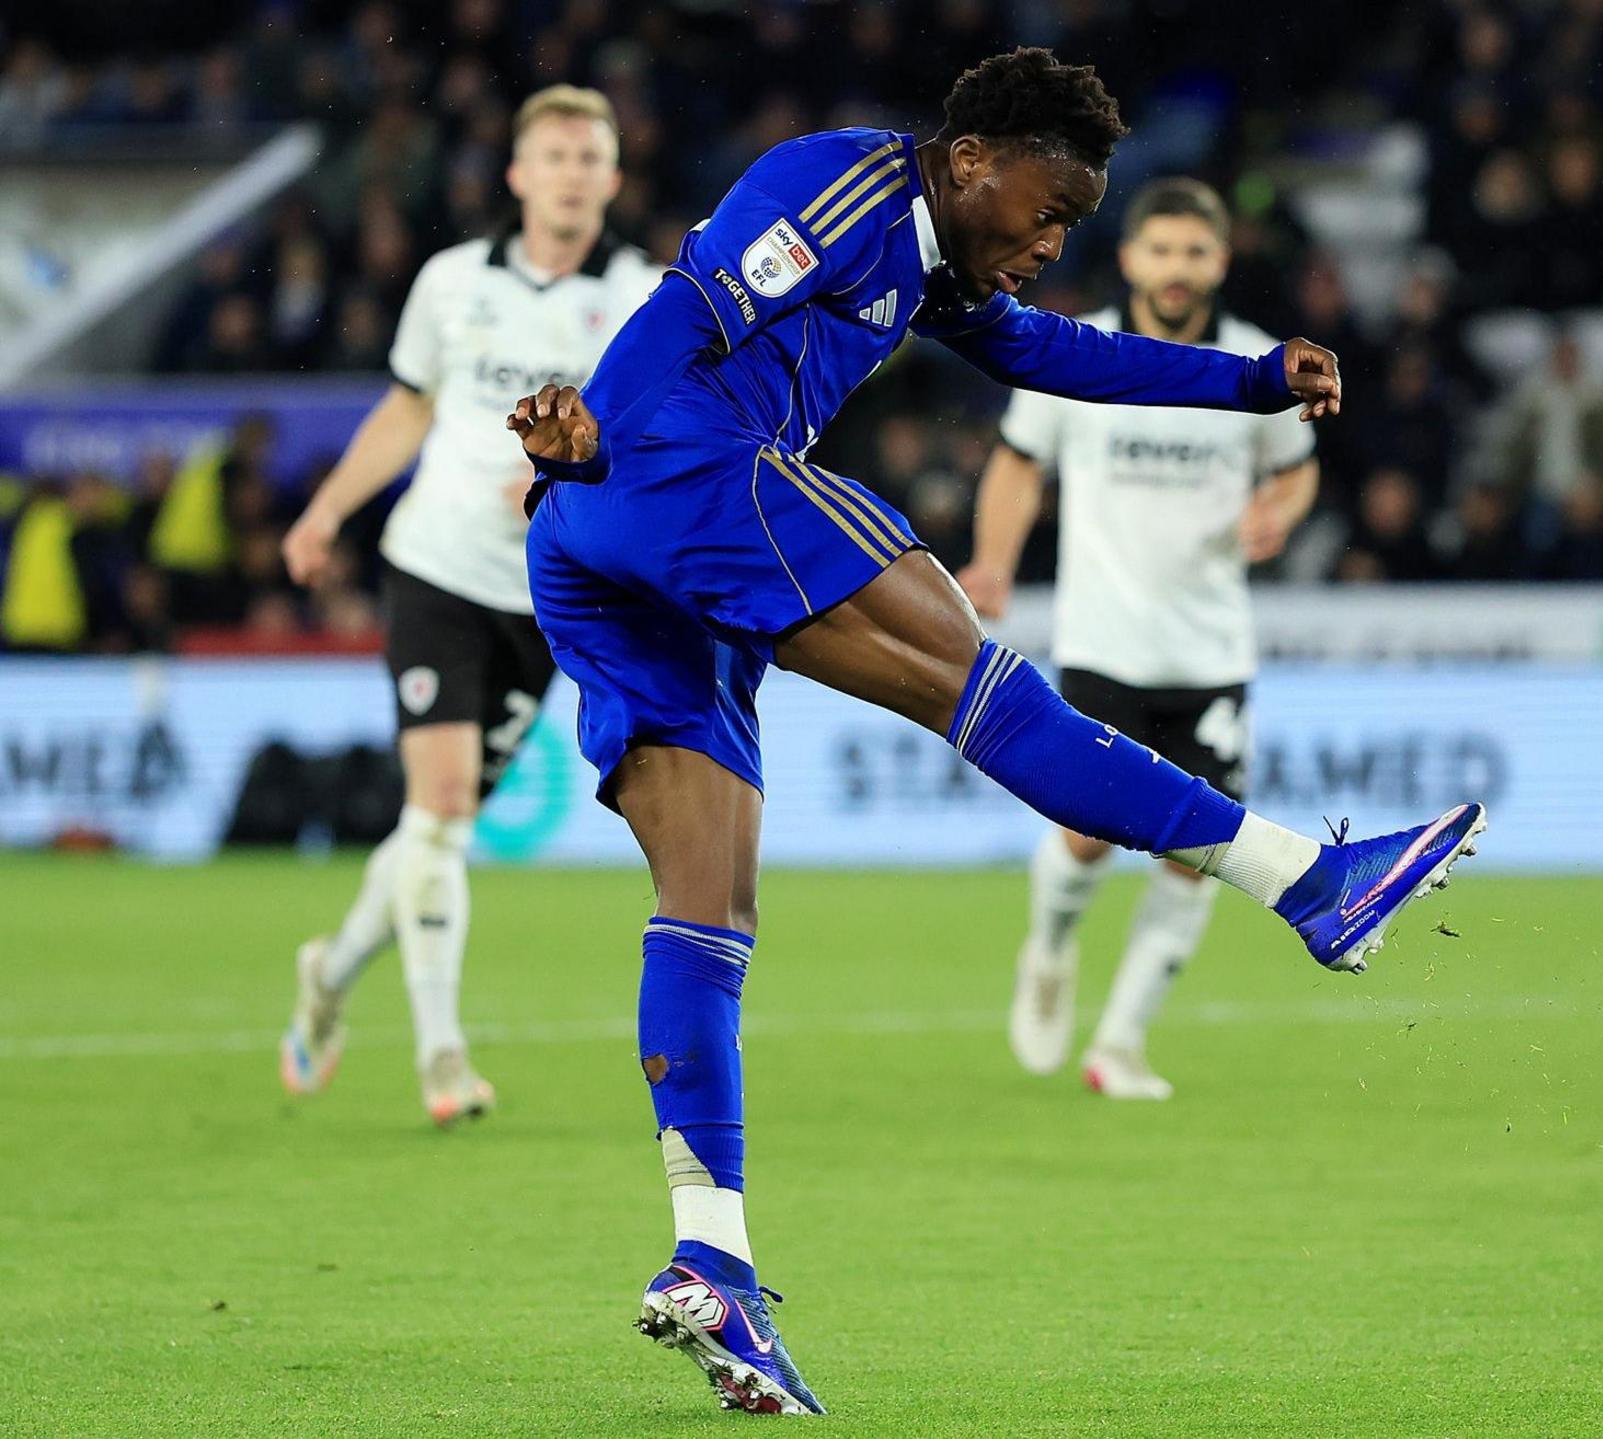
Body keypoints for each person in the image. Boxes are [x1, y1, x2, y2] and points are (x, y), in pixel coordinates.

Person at [503, 51, 1485, 1415]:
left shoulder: (942, 266)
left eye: (1071, 222)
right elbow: (689, 308)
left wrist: (1250, 382)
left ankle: (709, 1253)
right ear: (971, 159)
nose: (1049, 239)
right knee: (986, 682)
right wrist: (588, 424)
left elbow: (1052, 351)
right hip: (673, 465)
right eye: (1046, 208)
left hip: (598, 536)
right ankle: (1307, 880)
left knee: (708, 906)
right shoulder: (842, 187)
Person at [275, 85, 657, 1126]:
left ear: (614, 178)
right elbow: (408, 408)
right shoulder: (451, 283)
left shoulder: (641, 297)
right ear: (519, 175)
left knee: (433, 827)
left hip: (549, 593)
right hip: (437, 567)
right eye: (556, 155)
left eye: (592, 156)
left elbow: (660, 438)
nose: (574, 172)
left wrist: (570, 473)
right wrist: (327, 510)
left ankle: (333, 963)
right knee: (440, 808)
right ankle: (444, 1056)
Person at [952, 177, 1321, 1101]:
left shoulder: (1253, 362)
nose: (1176, 268)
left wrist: (1278, 510)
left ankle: (1118, 1043)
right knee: (1083, 838)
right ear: (1129, 258)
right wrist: (992, 560)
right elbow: (1017, 462)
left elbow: (1297, 470)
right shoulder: (1077, 354)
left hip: (1212, 651)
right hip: (1104, 641)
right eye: (1160, 249)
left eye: (1194, 252)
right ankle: (1049, 948)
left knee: (1194, 859)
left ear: (1220, 262)